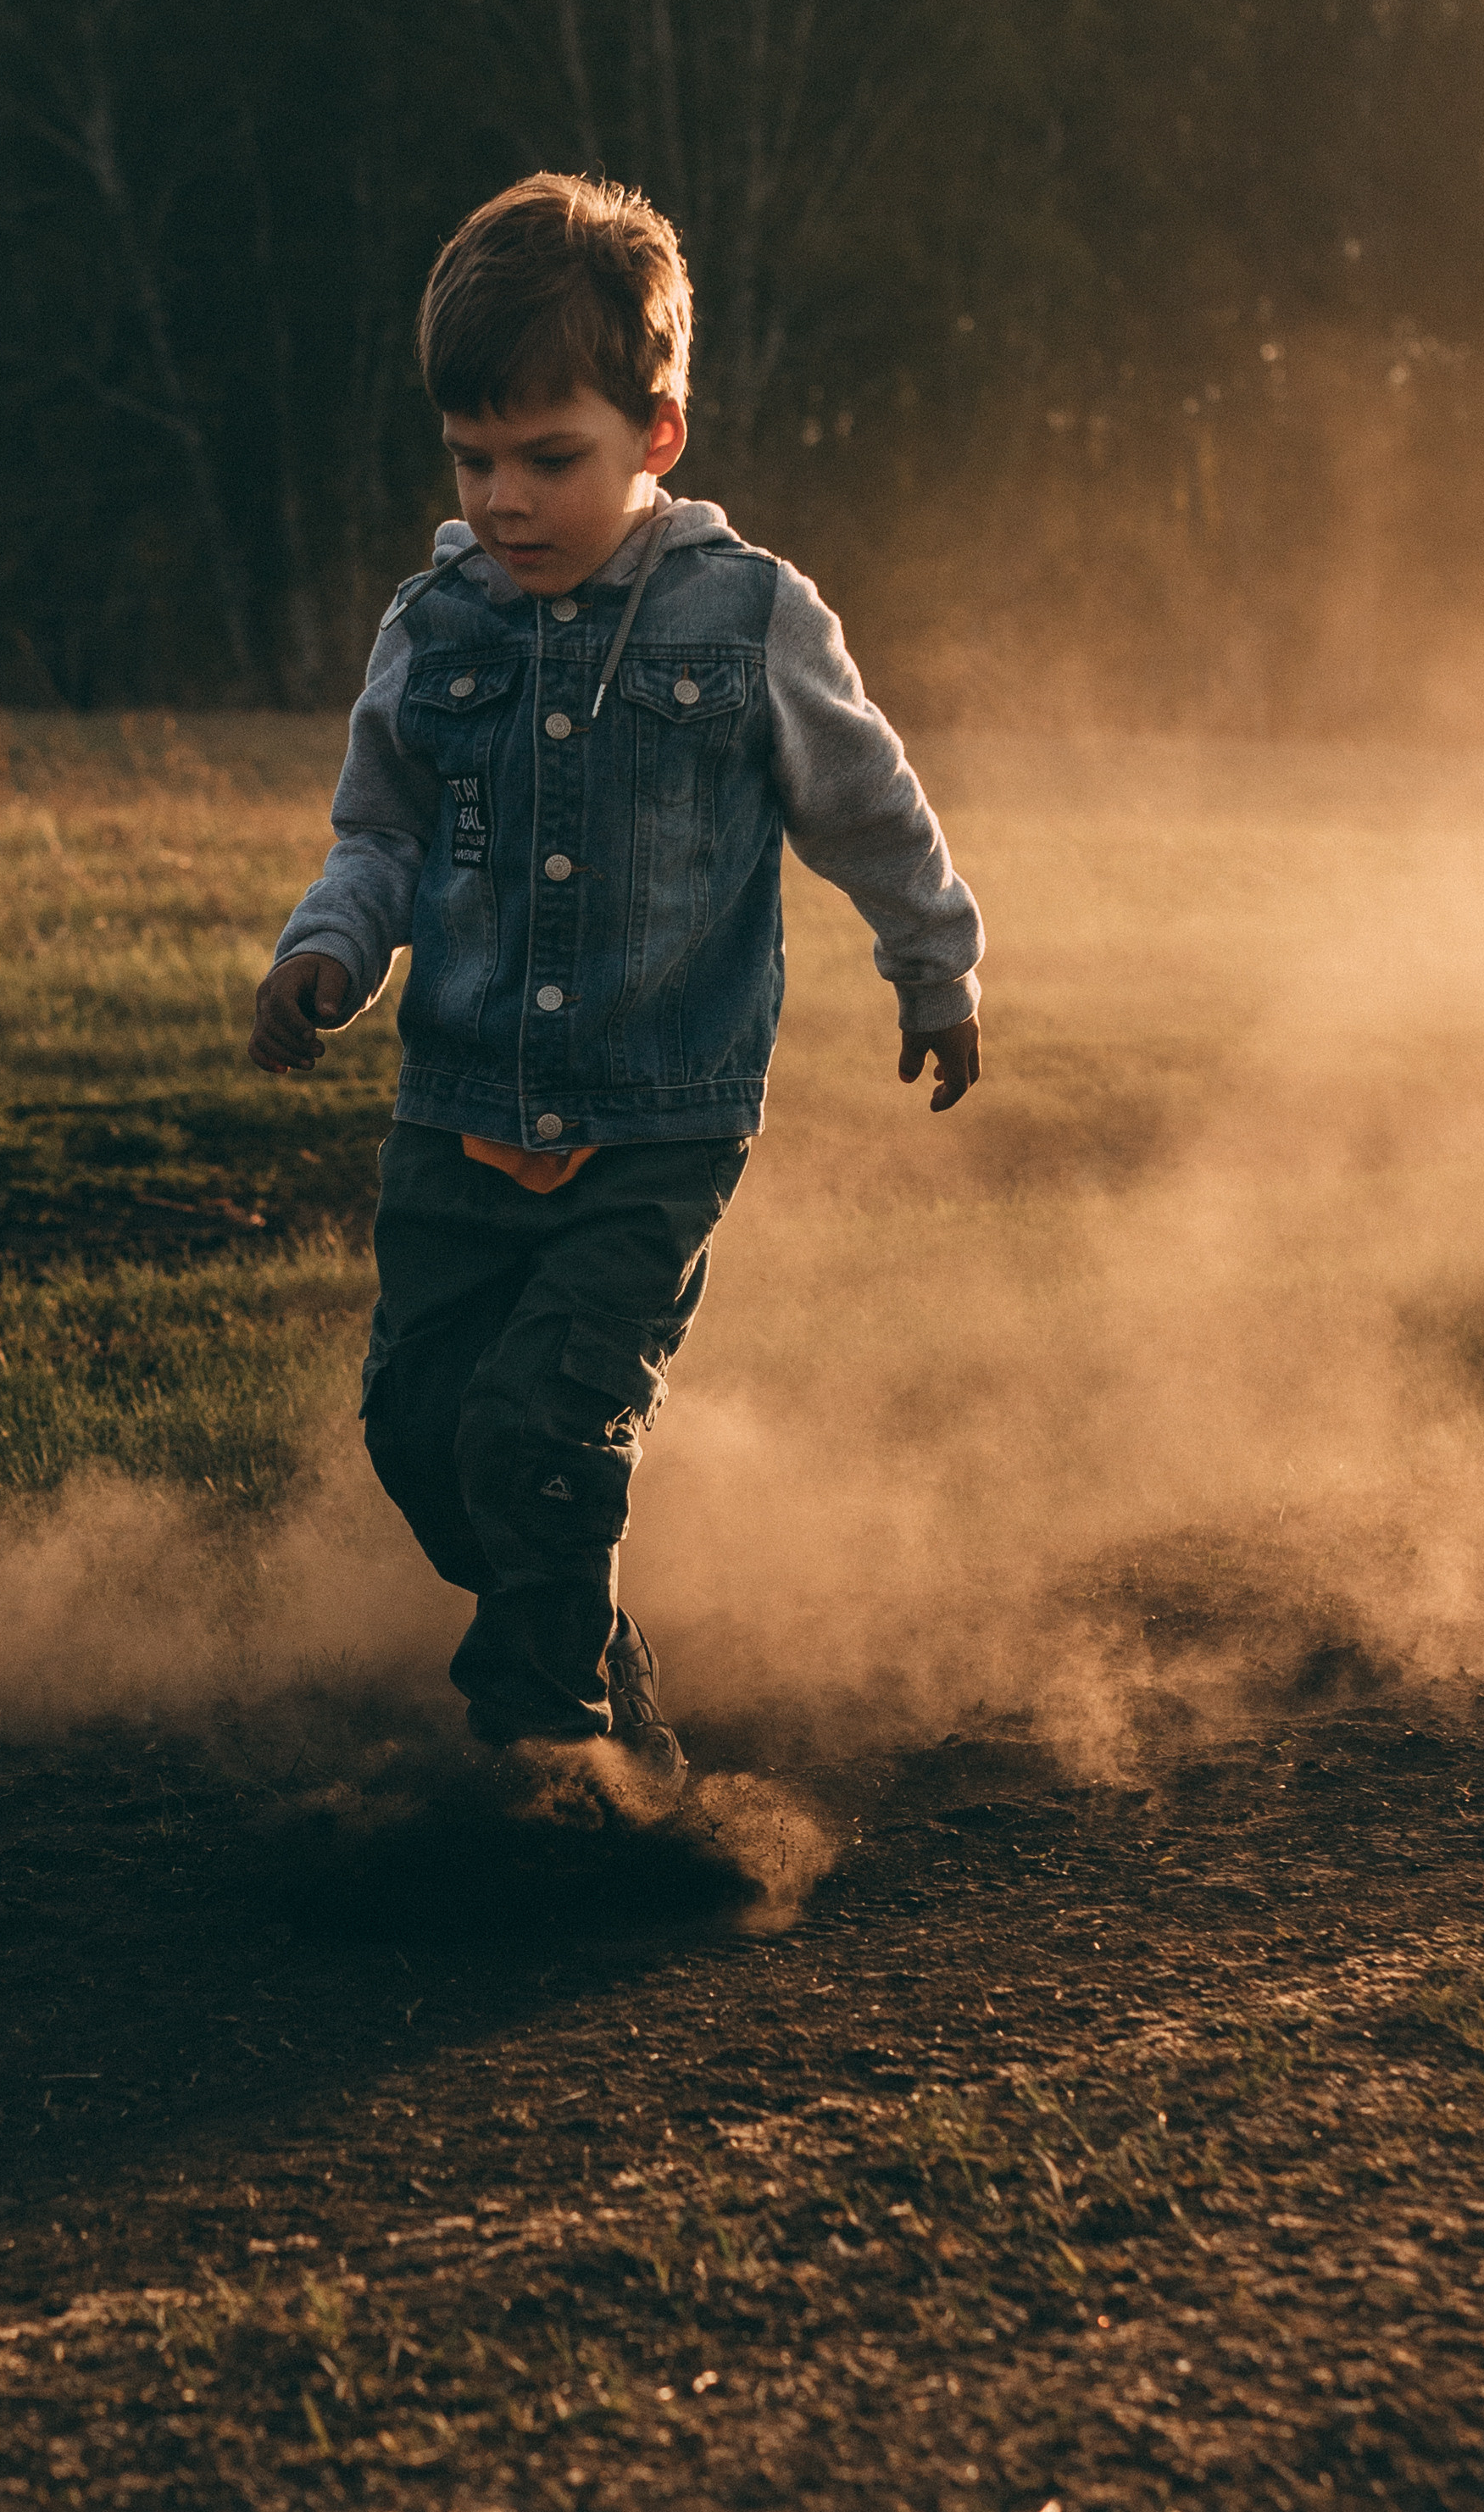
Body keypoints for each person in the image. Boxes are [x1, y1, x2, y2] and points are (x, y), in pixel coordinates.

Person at [248, 172, 982, 1792]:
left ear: (657, 433)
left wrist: (935, 965)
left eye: (548, 457)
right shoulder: (432, 629)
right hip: (456, 1111)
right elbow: (378, 834)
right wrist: (327, 950)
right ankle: (590, 1651)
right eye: (472, 458)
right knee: (424, 1432)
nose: (504, 498)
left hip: (657, 1124)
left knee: (544, 1427)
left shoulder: (749, 615)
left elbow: (868, 803)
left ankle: (553, 1753)